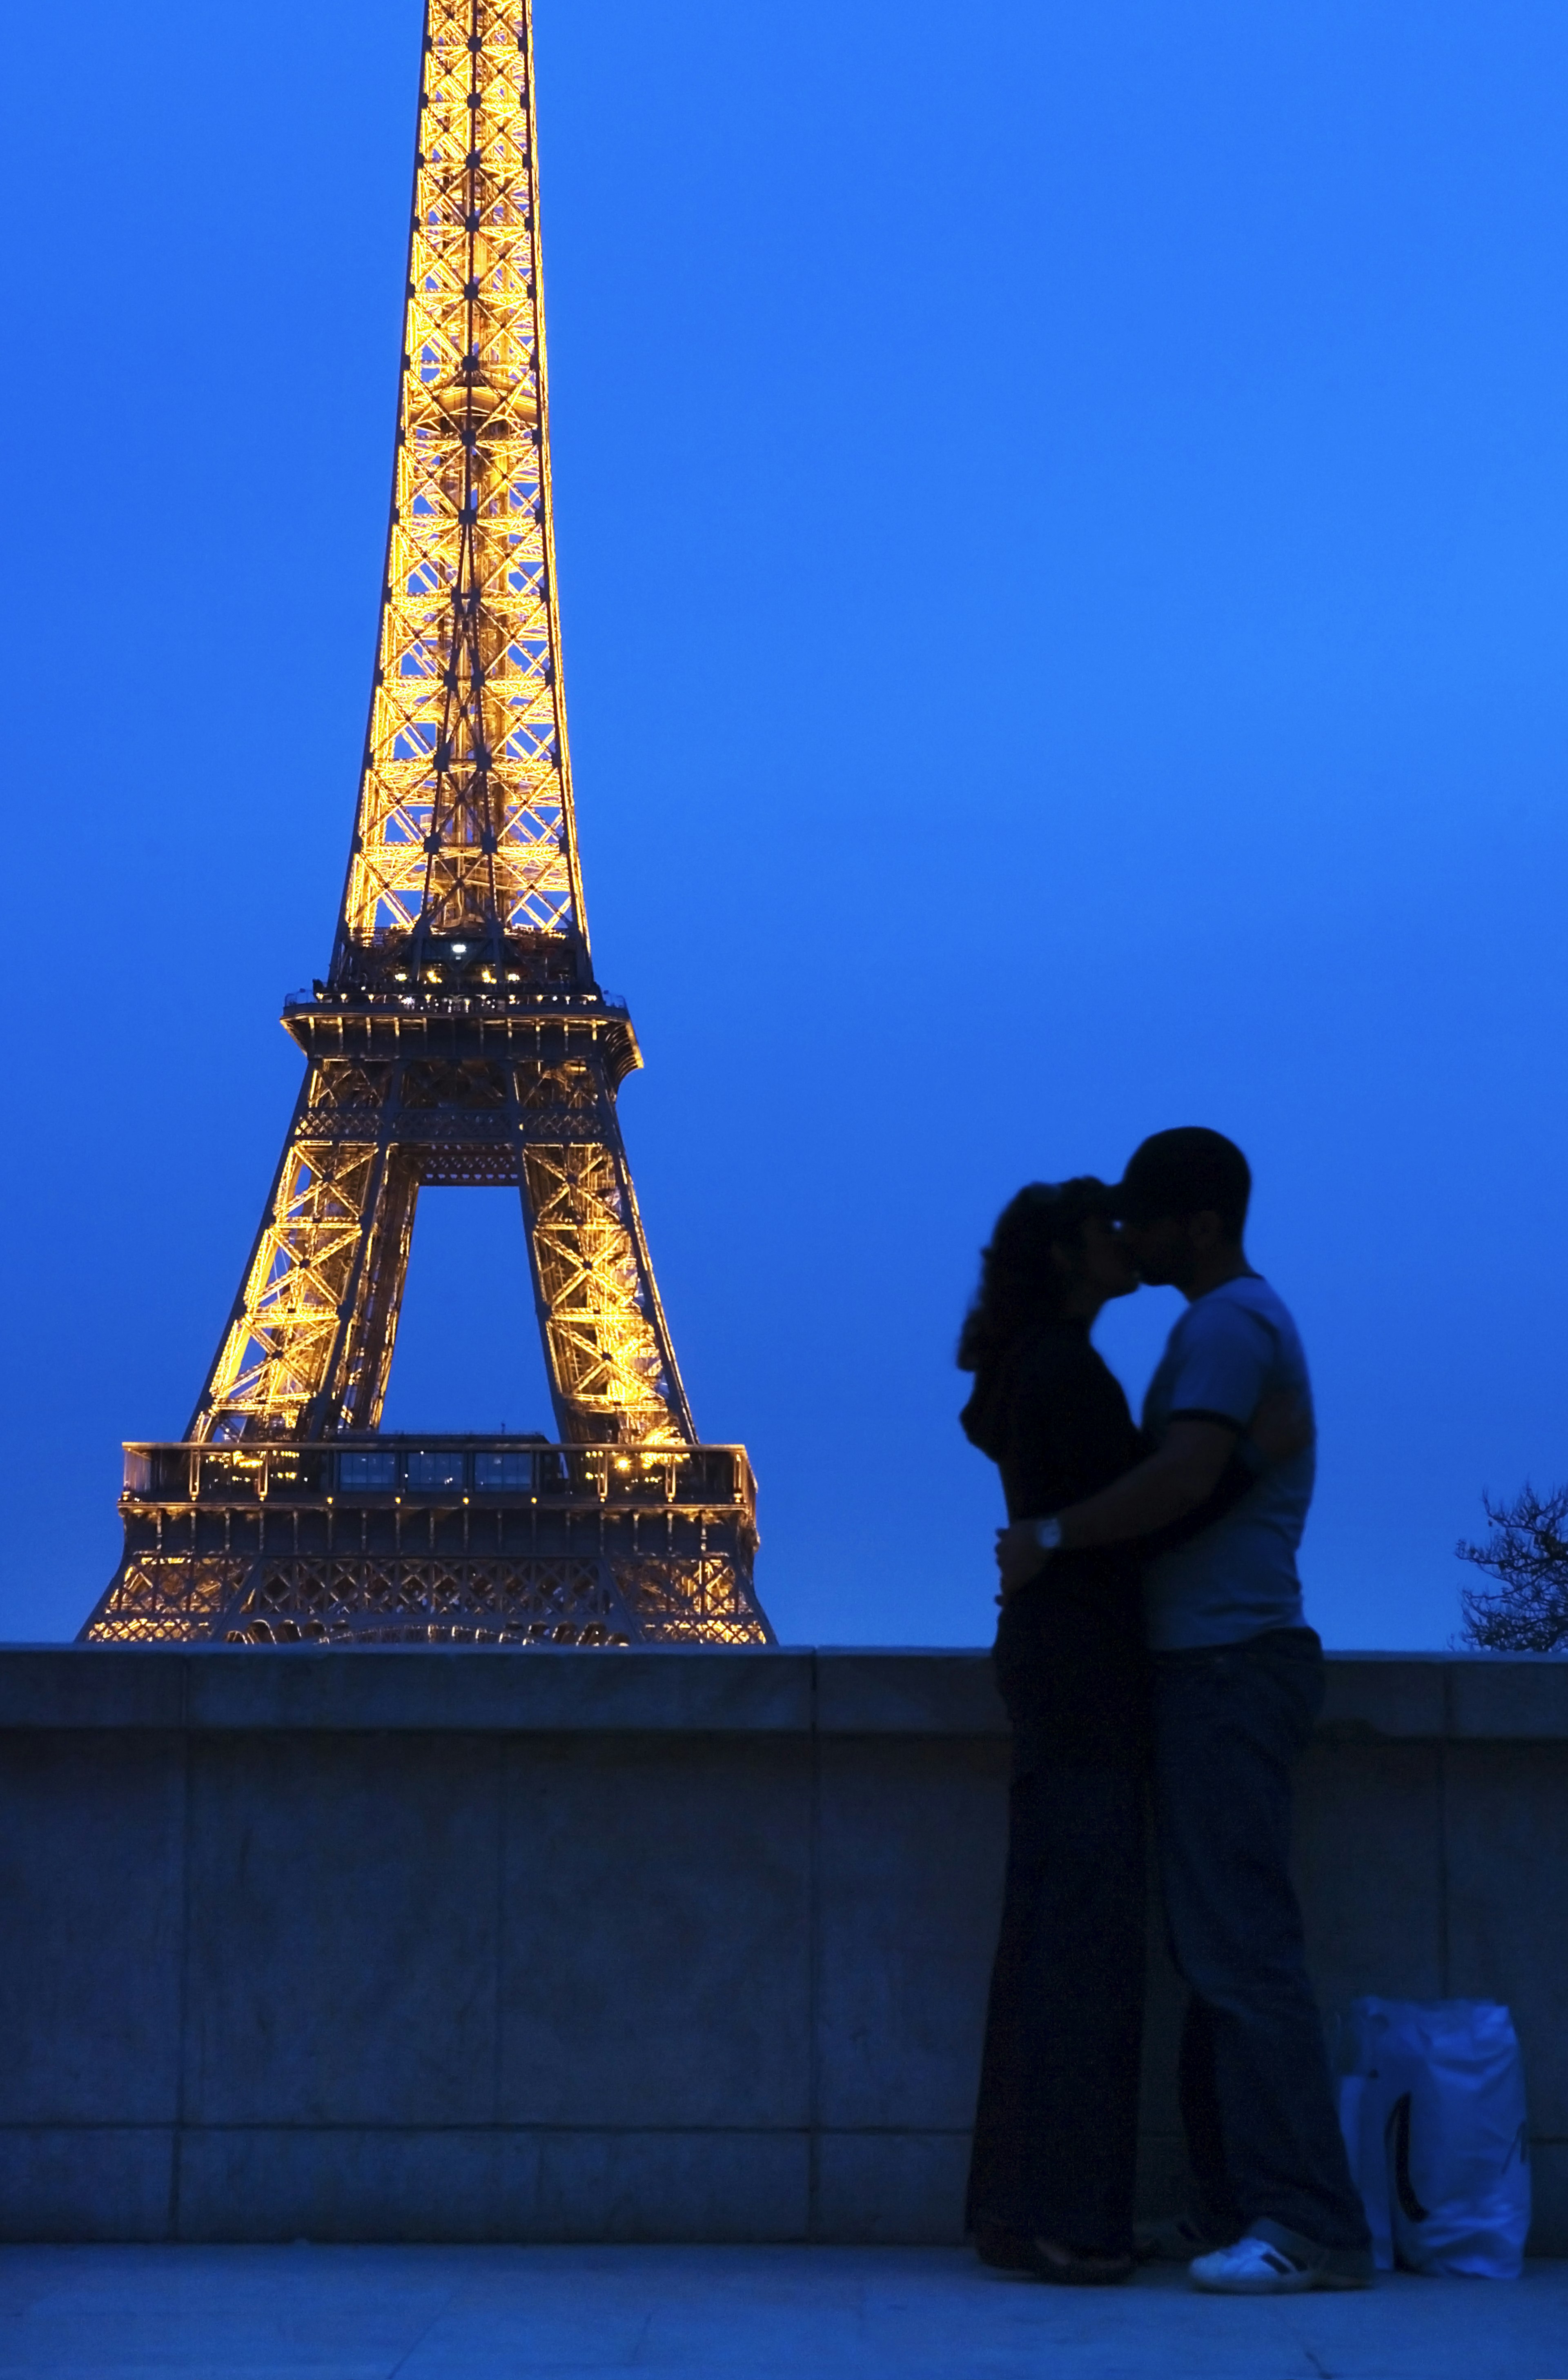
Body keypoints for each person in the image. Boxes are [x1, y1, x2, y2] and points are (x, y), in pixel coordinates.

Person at [995, 1128, 1374, 2297]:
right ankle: (1238, 2205)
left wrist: (1054, 1538)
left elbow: (1179, 1482)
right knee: (1220, 1954)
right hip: (1207, 1664)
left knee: (1240, 1956)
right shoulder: (1220, 1325)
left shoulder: (1223, 1326)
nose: (1131, 1234)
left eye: (1146, 1217)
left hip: (1223, 1665)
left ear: (1198, 1226)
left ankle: (1309, 2222)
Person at [960, 1177, 1274, 2286]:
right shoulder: (1064, 1370)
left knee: (1056, 1938)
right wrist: (1246, 1459)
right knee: (1084, 1949)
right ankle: (1060, 2219)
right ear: (1065, 1254)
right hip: (1087, 1670)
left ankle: (1027, 2211)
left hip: (1053, 1659)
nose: (1124, 1239)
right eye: (1106, 1227)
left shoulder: (1035, 1365)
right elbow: (1140, 1518)